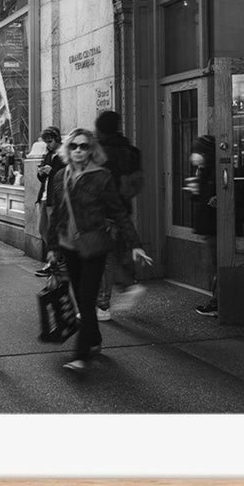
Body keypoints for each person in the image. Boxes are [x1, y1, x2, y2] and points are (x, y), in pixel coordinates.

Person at [51, 127, 152, 372]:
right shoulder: (60, 176)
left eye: (84, 146)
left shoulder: (102, 176)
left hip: (94, 245)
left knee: (87, 300)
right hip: (68, 246)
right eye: (74, 146)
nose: (78, 150)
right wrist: (51, 247)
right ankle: (94, 339)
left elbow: (118, 212)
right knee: (80, 297)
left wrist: (135, 244)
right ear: (67, 149)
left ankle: (81, 355)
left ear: (91, 150)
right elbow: (56, 213)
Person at [93, 110, 147, 321]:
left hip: (103, 210)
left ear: (100, 128)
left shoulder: (101, 152)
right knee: (116, 252)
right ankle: (125, 285)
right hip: (124, 208)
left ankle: (108, 302)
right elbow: (137, 182)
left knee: (105, 257)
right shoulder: (131, 151)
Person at [188, 135, 219, 315]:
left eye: (198, 151)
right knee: (211, 263)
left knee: (214, 264)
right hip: (208, 224)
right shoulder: (203, 170)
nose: (194, 155)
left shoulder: (215, 170)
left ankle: (217, 301)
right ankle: (216, 299)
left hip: (214, 224)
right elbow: (199, 196)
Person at [31, 127, 64, 276]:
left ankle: (54, 262)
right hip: (43, 196)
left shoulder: (64, 155)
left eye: (50, 141)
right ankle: (54, 259)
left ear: (57, 138)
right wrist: (41, 173)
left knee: (54, 231)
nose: (48, 145)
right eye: (46, 142)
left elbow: (65, 176)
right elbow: (42, 178)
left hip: (54, 198)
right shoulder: (48, 154)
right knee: (42, 228)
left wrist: (52, 172)